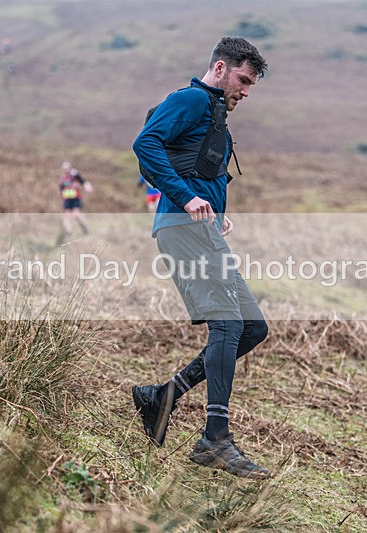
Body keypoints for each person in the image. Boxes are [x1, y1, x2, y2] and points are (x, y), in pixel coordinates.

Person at [131, 37, 270, 478]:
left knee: (251, 327)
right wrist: (187, 199)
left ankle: (163, 396)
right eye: (243, 80)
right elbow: (145, 145)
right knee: (228, 324)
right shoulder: (191, 99)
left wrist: (217, 214)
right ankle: (215, 438)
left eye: (251, 85)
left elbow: (196, 166)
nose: (246, 91)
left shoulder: (214, 116)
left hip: (200, 229)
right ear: (221, 67)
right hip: (181, 226)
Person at [58, 161, 93, 235]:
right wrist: (61, 197)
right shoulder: (62, 178)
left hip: (76, 198)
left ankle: (85, 228)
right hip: (67, 199)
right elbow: (61, 189)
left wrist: (88, 187)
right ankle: (68, 231)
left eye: (67, 169)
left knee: (76, 215)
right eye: (64, 169)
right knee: (67, 216)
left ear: (70, 168)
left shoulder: (75, 175)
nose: (66, 170)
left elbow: (83, 181)